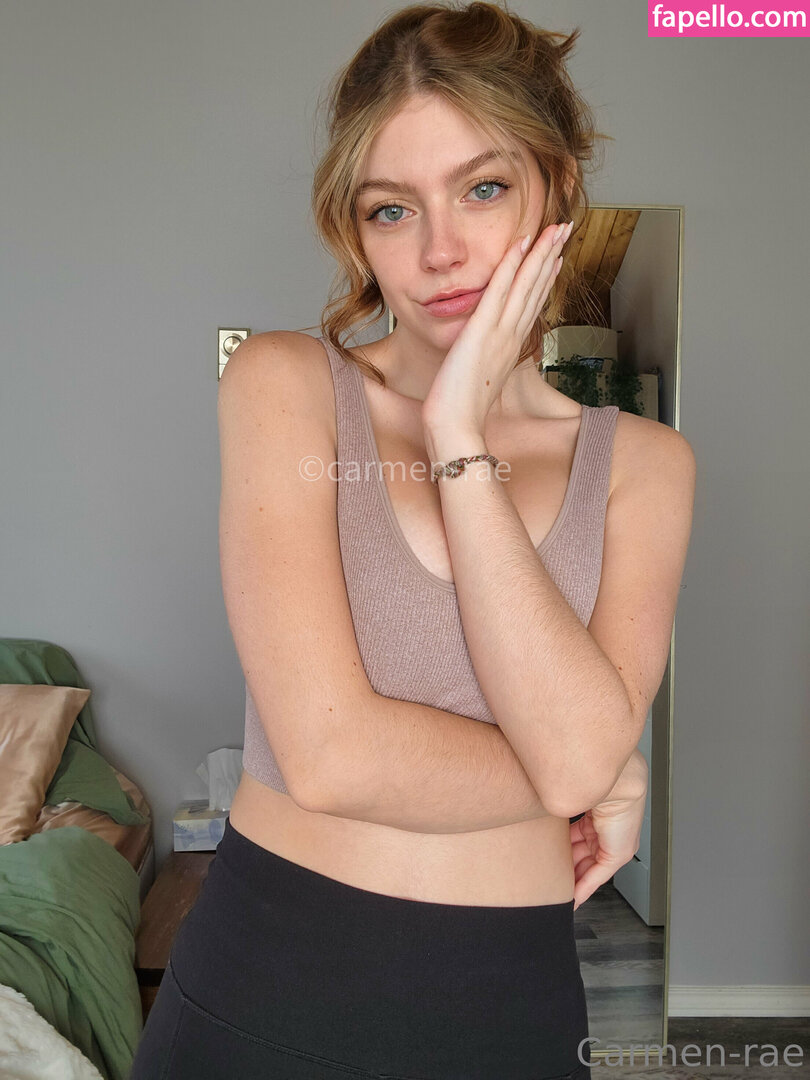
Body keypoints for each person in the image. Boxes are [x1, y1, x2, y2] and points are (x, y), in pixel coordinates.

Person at [131, 2, 695, 1077]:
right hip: (265, 986)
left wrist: (458, 441)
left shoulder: (645, 467)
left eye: (483, 189)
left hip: (516, 1008)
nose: (441, 251)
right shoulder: (286, 386)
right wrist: (582, 769)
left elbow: (582, 758)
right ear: (357, 232)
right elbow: (329, 755)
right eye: (393, 209)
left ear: (556, 185)